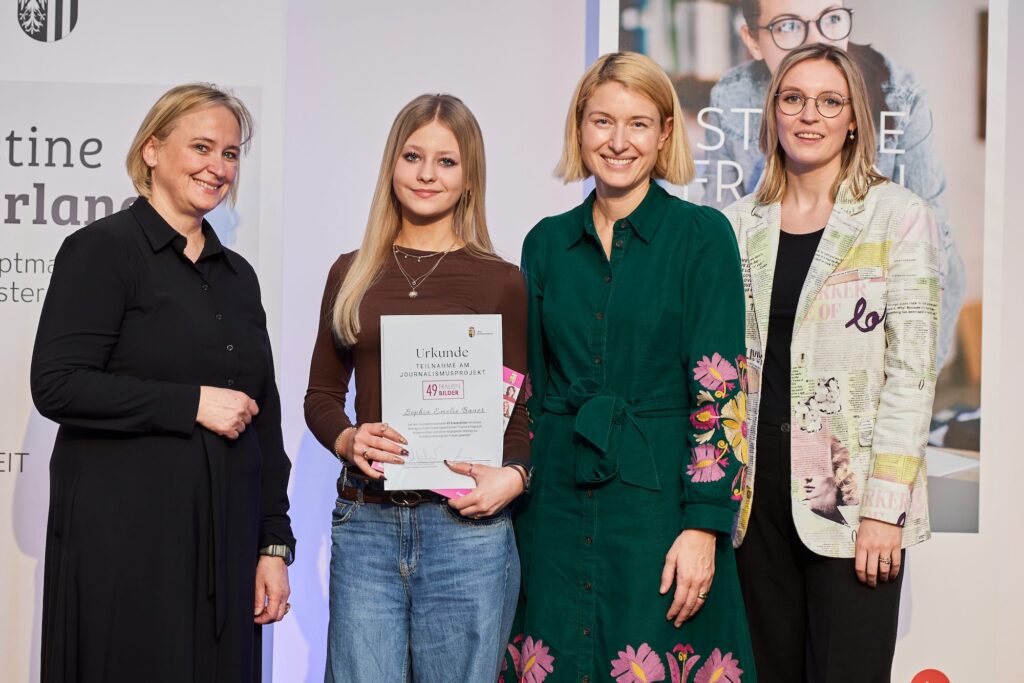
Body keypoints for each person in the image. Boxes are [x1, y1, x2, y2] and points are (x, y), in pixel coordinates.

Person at [504, 52, 755, 682]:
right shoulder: (545, 243)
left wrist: (704, 526)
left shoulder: (702, 236)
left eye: (638, 124)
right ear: (579, 128)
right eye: (602, 122)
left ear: (665, 133)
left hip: (660, 507)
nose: (618, 142)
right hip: (556, 509)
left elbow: (721, 393)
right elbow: (528, 390)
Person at [31, 84, 294, 683]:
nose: (217, 166)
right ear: (152, 150)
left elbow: (266, 418)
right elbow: (58, 384)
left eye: (230, 153)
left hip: (226, 550)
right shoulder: (102, 250)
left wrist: (273, 545)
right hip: (126, 548)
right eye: (201, 147)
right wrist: (191, 403)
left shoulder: (239, 277)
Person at [723, 44, 938, 682]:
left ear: (852, 119)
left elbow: (912, 376)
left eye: (828, 101)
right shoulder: (736, 225)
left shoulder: (898, 217)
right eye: (793, 99)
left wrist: (883, 510)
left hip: (851, 496)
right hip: (755, 498)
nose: (808, 115)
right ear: (773, 112)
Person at [304, 94, 531, 683]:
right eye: (413, 156)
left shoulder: (502, 281)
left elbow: (518, 411)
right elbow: (321, 396)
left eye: (446, 161)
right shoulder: (350, 272)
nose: (427, 174)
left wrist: (514, 475)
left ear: (469, 176)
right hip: (366, 523)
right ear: (392, 165)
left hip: (466, 532)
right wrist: (347, 439)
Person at [704, 0, 964, 368]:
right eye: (788, 25)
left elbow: (933, 264)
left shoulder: (900, 95)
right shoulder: (732, 98)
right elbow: (712, 262)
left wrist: (914, 373)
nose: (815, 40)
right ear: (752, 40)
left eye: (831, 19)